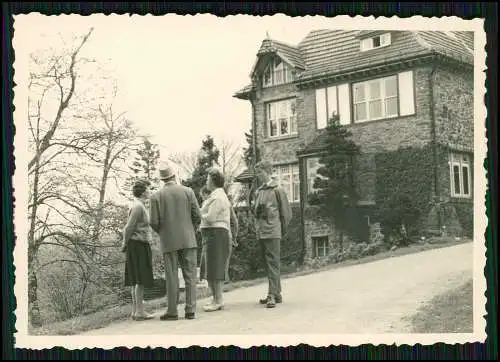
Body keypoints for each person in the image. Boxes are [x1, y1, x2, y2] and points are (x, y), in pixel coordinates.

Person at [149, 162, 201, 321]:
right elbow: (197, 216)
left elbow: (153, 221)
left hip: (168, 240)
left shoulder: (156, 196)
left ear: (162, 179)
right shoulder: (188, 191)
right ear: (174, 176)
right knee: (190, 275)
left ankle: (172, 311)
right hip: (188, 239)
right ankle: (190, 310)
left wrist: (163, 232)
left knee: (171, 276)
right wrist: (190, 229)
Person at [253, 160, 292, 308]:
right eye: (257, 173)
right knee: (268, 263)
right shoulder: (260, 191)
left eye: (260, 172)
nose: (258, 176)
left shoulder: (278, 190)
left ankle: (271, 295)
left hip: (273, 231)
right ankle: (276, 293)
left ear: (268, 172)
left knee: (273, 263)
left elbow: (286, 213)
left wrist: (281, 230)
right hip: (262, 231)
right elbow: (257, 212)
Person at [122, 179, 155, 321]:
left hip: (137, 244)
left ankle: (136, 311)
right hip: (138, 245)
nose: (150, 191)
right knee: (139, 279)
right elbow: (129, 227)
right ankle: (139, 311)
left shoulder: (139, 205)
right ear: (142, 192)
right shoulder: (138, 207)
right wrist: (124, 243)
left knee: (136, 279)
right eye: (148, 189)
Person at [200, 167, 231, 312]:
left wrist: (200, 213)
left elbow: (211, 218)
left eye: (208, 179)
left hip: (216, 233)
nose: (206, 181)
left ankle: (218, 300)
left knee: (215, 267)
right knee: (211, 267)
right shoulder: (215, 195)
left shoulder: (218, 197)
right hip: (212, 234)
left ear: (213, 181)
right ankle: (215, 298)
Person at [198, 186, 211, 283]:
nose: (202, 197)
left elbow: (205, 215)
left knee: (205, 252)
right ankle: (204, 276)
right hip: (204, 229)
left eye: (202, 195)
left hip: (207, 229)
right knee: (205, 251)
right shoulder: (206, 202)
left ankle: (205, 276)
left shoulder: (209, 202)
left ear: (206, 194)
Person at [225, 196, 239, 283]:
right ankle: (225, 280)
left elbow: (234, 222)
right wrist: (234, 237)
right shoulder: (228, 206)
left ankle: (224, 280)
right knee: (225, 260)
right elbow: (235, 222)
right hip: (227, 235)